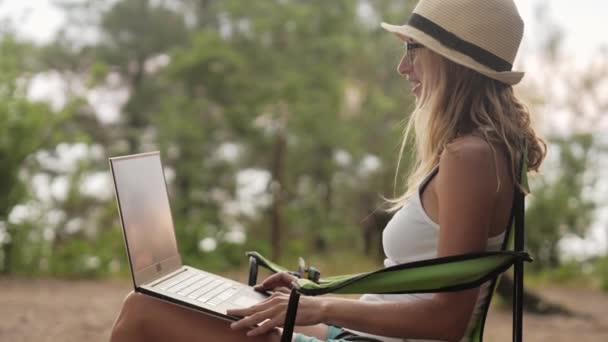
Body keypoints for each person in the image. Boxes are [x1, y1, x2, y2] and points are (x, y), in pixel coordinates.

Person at [109, 0, 546, 341]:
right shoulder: (484, 151)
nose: (403, 67)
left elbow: (447, 320)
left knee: (142, 310)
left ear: (451, 61)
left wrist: (318, 308)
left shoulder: (469, 157)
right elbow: (422, 290)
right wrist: (313, 294)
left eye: (413, 49)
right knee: (213, 306)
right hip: (363, 335)